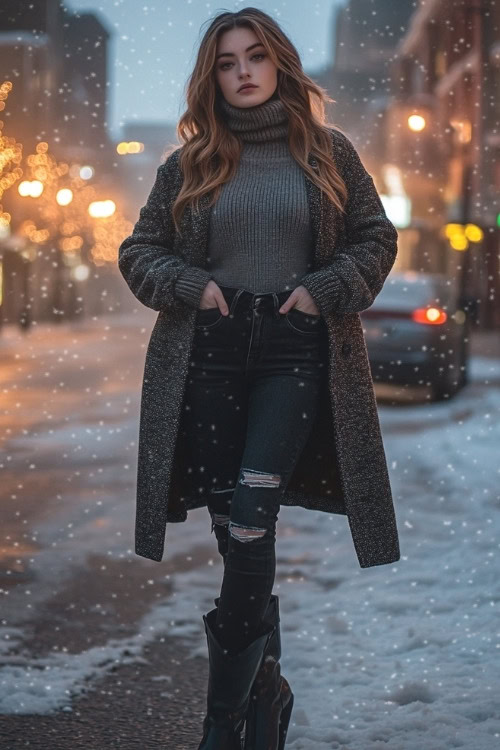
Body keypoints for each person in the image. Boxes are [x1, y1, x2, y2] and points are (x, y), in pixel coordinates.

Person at [118, 7, 401, 749]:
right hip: (209, 354)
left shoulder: (328, 153)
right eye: (226, 61)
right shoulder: (188, 163)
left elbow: (377, 237)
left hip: (292, 355)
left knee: (252, 516)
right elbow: (139, 251)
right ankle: (264, 694)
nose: (242, 72)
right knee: (232, 534)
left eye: (255, 57)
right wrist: (191, 288)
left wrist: (324, 290)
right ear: (212, 76)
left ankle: (221, 726)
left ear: (279, 64)